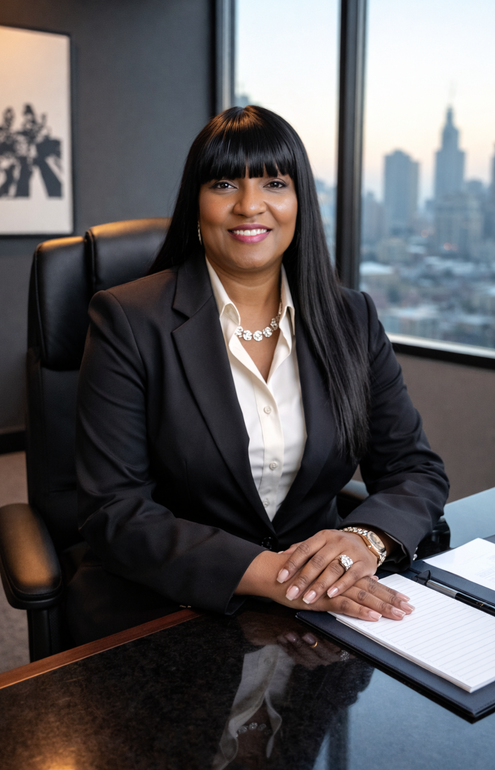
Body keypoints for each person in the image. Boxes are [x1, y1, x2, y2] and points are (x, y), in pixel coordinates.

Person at [66, 106, 449, 644]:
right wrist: (279, 577)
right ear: (196, 204)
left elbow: (414, 468)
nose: (250, 205)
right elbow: (116, 510)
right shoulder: (128, 319)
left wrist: (367, 539)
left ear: (300, 203)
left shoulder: (351, 319)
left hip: (319, 613)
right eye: (224, 183)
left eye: (274, 182)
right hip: (171, 605)